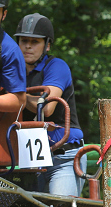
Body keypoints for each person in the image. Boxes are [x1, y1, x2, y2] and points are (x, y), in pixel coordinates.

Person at [16, 13, 87, 197]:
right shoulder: (11, 70)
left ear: (47, 45)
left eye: (35, 41)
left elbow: (47, 108)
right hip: (27, 159)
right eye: (24, 41)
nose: (28, 46)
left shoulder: (57, 66)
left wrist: (12, 96)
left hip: (63, 155)